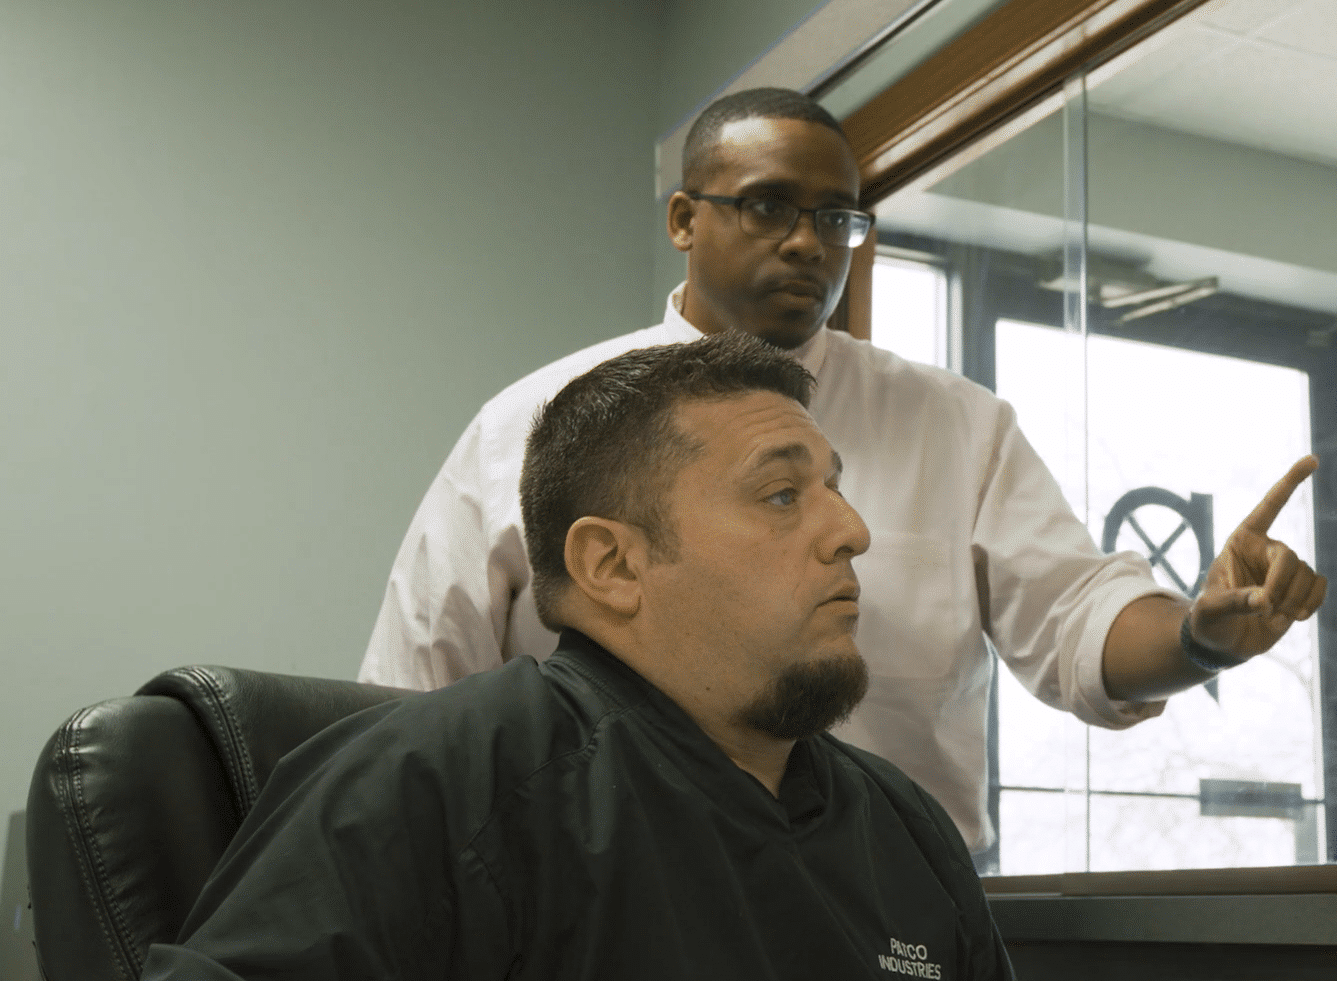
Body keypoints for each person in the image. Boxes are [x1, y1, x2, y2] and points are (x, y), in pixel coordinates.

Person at [360, 87, 1328, 851]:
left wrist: (1201, 636)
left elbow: (1076, 624)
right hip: (596, 893)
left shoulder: (956, 425)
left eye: (836, 217)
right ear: (685, 218)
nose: (807, 242)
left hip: (885, 901)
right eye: (769, 205)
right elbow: (413, 692)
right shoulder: (532, 423)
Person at [143, 332, 1016, 980]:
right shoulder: (439, 778)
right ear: (614, 564)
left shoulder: (904, 828)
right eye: (782, 493)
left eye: (836, 487)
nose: (852, 532)